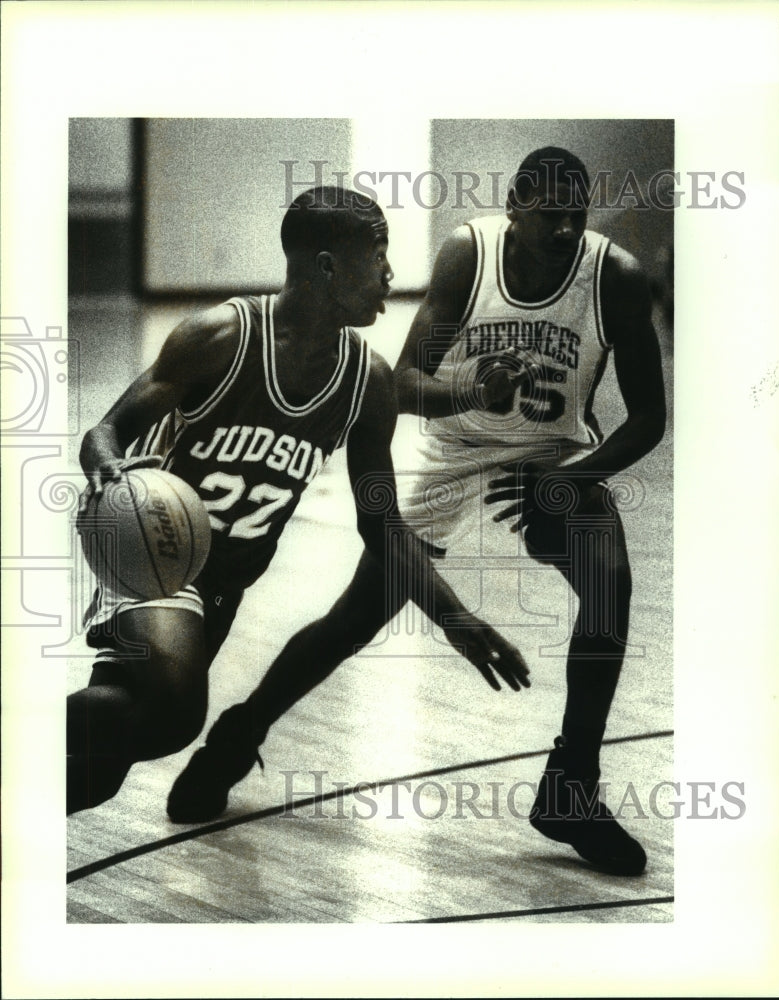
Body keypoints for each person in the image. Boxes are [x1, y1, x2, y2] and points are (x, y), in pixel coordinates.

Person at [169, 149, 666, 879]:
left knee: (610, 581)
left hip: (555, 455)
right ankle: (238, 736)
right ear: (516, 204)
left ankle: (572, 785)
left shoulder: (612, 276)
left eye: (575, 214)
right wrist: (472, 393)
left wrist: (567, 479)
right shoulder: (471, 255)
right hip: (460, 441)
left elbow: (650, 419)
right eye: (548, 212)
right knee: (360, 612)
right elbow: (401, 386)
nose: (564, 228)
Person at [68, 186, 530, 816]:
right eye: (378, 254)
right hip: (156, 560)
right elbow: (104, 432)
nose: (390, 273)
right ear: (327, 264)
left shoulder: (366, 381)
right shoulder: (220, 336)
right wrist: (108, 468)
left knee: (101, 771)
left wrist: (454, 618)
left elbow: (383, 526)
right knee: (179, 711)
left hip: (224, 588)